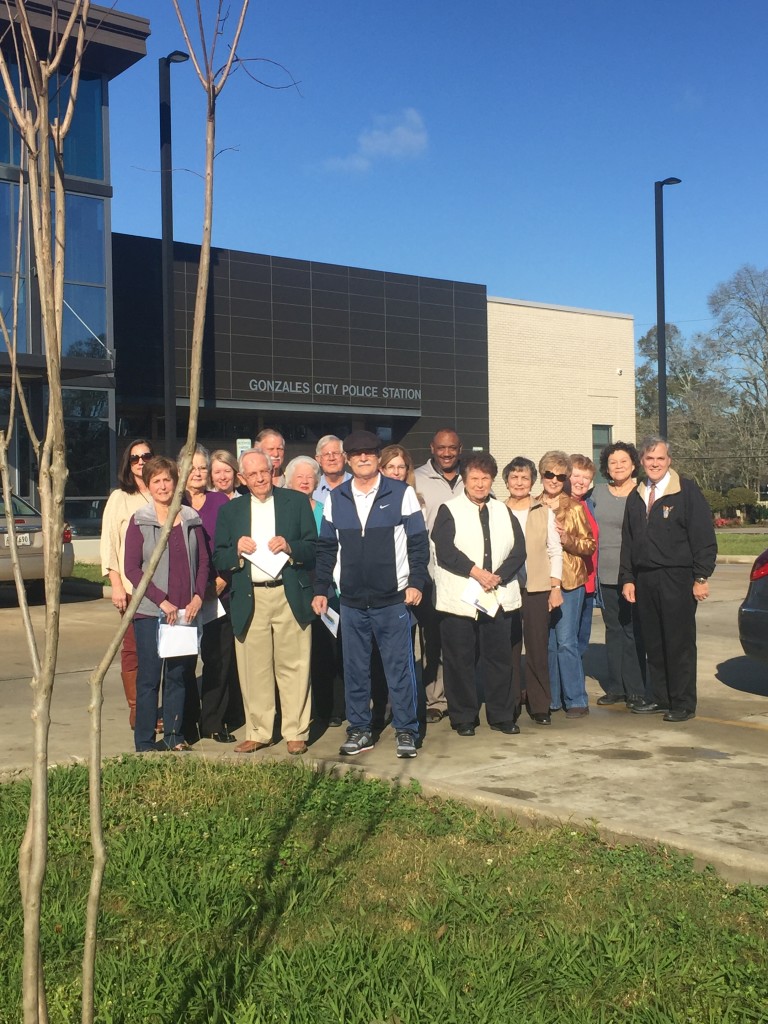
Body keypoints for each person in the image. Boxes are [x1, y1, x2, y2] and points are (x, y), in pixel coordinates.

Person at [311, 430, 428, 759]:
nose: (363, 458)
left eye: (369, 452)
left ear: (378, 457)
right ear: (348, 460)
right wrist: (322, 588)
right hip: (350, 601)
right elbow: (326, 548)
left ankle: (406, 730)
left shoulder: (401, 493)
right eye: (356, 453)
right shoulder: (337, 497)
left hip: (393, 599)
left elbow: (418, 544)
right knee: (355, 669)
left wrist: (416, 581)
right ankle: (360, 729)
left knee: (399, 668)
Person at [213, 448, 316, 754]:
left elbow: (313, 547)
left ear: (273, 472)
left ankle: (296, 731)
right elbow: (219, 555)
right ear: (242, 478)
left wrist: (290, 546)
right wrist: (237, 552)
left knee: (294, 665)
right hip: (251, 596)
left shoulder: (295, 502)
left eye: (265, 472)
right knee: (253, 667)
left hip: (288, 593)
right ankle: (259, 731)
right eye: (253, 473)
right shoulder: (230, 510)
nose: (260, 478)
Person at [620, 437, 716, 722]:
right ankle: (661, 698)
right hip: (645, 579)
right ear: (642, 462)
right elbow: (629, 540)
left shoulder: (686, 491)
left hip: (677, 577)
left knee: (679, 642)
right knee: (654, 641)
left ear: (669, 460)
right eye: (649, 459)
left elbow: (703, 537)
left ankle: (683, 703)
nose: (655, 464)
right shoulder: (636, 495)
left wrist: (701, 576)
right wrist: (628, 578)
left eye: (660, 459)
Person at [431, 453, 526, 736]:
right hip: (460, 599)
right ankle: (463, 717)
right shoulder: (449, 509)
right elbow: (445, 550)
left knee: (499, 659)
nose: (480, 484)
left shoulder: (502, 511)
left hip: (496, 595)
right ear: (464, 480)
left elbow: (518, 550)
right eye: (474, 478)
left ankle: (501, 715)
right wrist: (476, 572)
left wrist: (498, 576)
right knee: (459, 659)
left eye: (485, 478)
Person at [124, 456, 209, 752]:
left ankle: (174, 737)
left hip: (185, 612)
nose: (162, 486)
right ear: (148, 486)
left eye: (167, 480)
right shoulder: (140, 520)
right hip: (152, 613)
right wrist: (161, 600)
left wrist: (198, 595)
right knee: (149, 678)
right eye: (156, 481)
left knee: (178, 675)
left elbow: (203, 563)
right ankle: (145, 742)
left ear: (176, 483)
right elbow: (132, 569)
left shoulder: (190, 518)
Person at [183, 444, 243, 743]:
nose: (198, 472)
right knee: (183, 660)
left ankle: (213, 722)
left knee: (218, 660)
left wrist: (222, 579)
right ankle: (185, 722)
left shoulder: (220, 501)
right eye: (192, 467)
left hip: (220, 592)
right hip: (183, 597)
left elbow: (232, 544)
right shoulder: (174, 502)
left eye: (202, 467)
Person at [286, 454, 346, 728]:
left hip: (325, 586)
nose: (305, 481)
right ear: (289, 481)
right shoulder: (282, 511)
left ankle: (331, 708)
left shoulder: (326, 508)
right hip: (293, 586)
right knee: (295, 654)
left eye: (310, 477)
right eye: (299, 477)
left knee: (327, 649)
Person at [503, 456, 563, 726]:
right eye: (514, 478)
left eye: (524, 478)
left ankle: (540, 705)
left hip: (538, 588)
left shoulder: (543, 511)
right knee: (510, 647)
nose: (519, 482)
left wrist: (555, 586)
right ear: (506, 481)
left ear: (532, 482)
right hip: (506, 588)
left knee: (537, 647)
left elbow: (555, 550)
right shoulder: (497, 510)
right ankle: (511, 701)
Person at [536, 451, 595, 718]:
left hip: (569, 583)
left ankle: (576, 698)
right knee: (547, 644)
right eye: (549, 474)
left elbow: (590, 544)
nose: (554, 480)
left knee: (566, 642)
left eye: (561, 476)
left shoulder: (574, 508)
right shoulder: (532, 505)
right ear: (542, 475)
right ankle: (552, 698)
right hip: (539, 582)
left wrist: (567, 538)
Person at [99, 439, 154, 728]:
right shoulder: (120, 497)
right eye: (135, 458)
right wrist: (116, 584)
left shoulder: (163, 493)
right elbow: (109, 542)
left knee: (161, 650)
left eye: (146, 456)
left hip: (164, 589)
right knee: (133, 649)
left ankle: (157, 706)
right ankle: (138, 710)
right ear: (127, 463)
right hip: (132, 589)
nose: (141, 461)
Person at [414, 428, 464, 724]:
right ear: (432, 448)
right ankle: (435, 698)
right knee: (431, 639)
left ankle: (458, 694)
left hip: (462, 575)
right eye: (441, 448)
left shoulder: (469, 478)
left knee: (458, 640)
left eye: (452, 448)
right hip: (430, 574)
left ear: (460, 449)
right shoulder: (416, 478)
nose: (447, 453)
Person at [591, 442, 648, 708]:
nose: (618, 466)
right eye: (613, 462)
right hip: (604, 574)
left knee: (634, 630)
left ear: (634, 464)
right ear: (606, 467)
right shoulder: (597, 493)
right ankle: (616, 687)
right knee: (614, 630)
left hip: (634, 575)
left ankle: (636, 688)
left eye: (623, 461)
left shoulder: (643, 492)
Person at [569, 454, 600, 655]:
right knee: (567, 640)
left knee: (581, 640)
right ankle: (564, 686)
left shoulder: (588, 504)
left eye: (586, 478)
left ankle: (574, 682)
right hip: (571, 583)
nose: (581, 481)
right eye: (576, 475)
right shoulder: (560, 504)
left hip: (589, 583)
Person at [313, 434, 351, 502]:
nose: (331, 458)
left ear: (345, 457)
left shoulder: (357, 484)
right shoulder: (312, 488)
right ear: (318, 460)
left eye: (336, 453)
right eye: (326, 454)